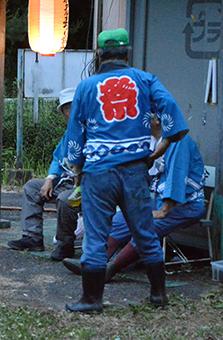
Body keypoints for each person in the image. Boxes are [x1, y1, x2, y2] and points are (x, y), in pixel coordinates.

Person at [64, 28, 188, 313]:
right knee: (145, 231)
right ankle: (158, 295)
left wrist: (78, 171)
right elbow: (170, 108)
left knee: (96, 236)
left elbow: (75, 134)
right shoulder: (145, 79)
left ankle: (91, 299)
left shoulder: (86, 87)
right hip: (135, 170)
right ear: (127, 53)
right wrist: (161, 146)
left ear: (99, 55)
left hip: (98, 173)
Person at [62, 115, 206, 281]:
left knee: (146, 226)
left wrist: (163, 211)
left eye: (147, 115)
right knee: (119, 219)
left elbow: (177, 178)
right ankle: (93, 263)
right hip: (158, 202)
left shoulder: (178, 141)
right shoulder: (152, 141)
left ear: (159, 120)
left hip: (185, 205)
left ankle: (112, 268)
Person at [7, 87, 79, 261]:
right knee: (32, 187)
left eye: (74, 106)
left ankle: (65, 244)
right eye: (67, 108)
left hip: (84, 184)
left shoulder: (91, 130)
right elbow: (57, 158)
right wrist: (49, 179)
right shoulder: (68, 133)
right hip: (65, 181)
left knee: (65, 199)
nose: (71, 112)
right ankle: (33, 237)